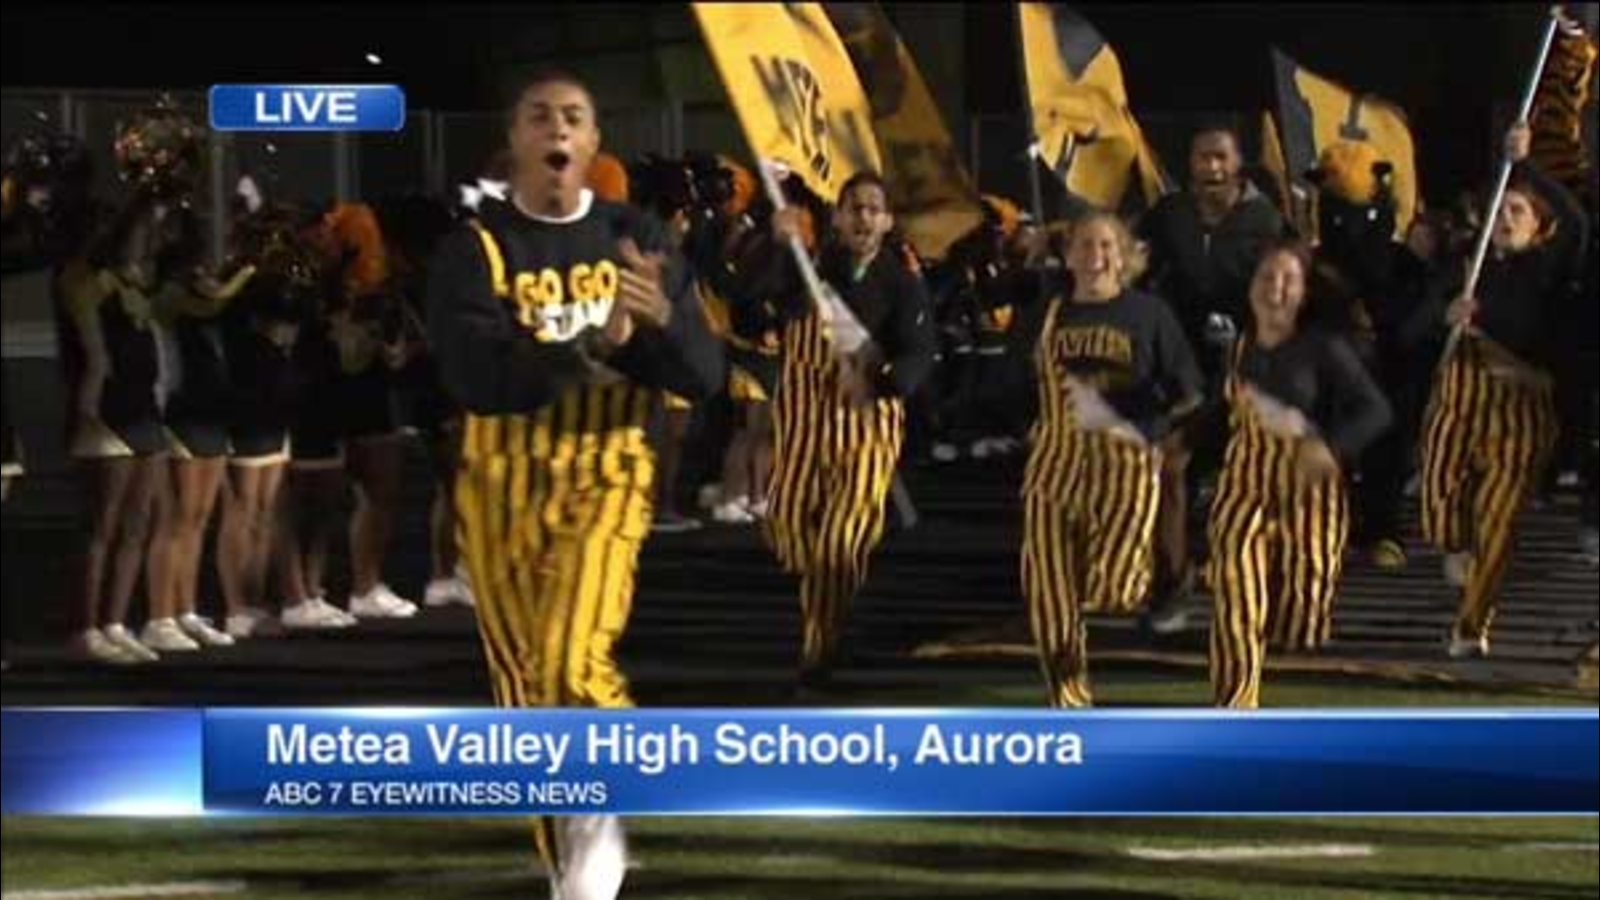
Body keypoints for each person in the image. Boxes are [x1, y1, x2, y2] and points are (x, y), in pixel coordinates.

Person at [426, 68, 722, 900]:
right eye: (539, 116)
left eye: (576, 117)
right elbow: (477, 377)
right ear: (515, 140)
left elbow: (704, 374)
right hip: (502, 485)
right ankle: (576, 865)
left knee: (571, 655)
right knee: (525, 695)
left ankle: (606, 817)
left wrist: (661, 324)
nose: (557, 127)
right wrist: (594, 344)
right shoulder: (475, 248)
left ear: (593, 144)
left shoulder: (642, 238)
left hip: (607, 473)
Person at [1418, 121, 1590, 658]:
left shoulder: (1550, 271)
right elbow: (1410, 328)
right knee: (1440, 504)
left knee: (1498, 523)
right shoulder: (1468, 269)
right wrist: (1443, 316)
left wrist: (1526, 163)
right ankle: (1453, 544)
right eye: (1503, 209)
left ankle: (1471, 626)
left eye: (1520, 211)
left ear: (1540, 225)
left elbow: (1579, 222)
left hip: (1521, 410)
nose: (1507, 219)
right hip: (1460, 402)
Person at [1018, 211, 1202, 707]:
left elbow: (1188, 390)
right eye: (1084, 245)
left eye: (1105, 246)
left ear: (1123, 256)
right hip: (1055, 463)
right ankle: (1067, 698)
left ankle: (1147, 594)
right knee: (1047, 586)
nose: (1094, 256)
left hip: (1124, 466)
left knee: (1116, 587)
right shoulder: (1048, 313)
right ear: (1068, 253)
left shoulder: (1149, 314)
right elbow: (1017, 381)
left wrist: (1153, 428)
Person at [766, 170, 935, 691]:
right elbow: (749, 298)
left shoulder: (902, 283)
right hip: (801, 425)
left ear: (886, 221)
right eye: (853, 207)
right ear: (836, 217)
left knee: (838, 545)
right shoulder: (806, 265)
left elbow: (918, 354)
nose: (862, 216)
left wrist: (878, 380)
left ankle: (819, 648)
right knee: (788, 528)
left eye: (872, 208)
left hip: (866, 429)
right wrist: (774, 243)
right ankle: (825, 599)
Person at [1209, 241, 1392, 708]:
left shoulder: (1324, 347)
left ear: (1305, 292)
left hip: (1309, 489)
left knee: (1302, 607)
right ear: (1251, 288)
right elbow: (1217, 413)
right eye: (1267, 277)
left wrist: (1331, 447)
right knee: (1235, 590)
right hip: (1243, 485)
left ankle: (1276, 633)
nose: (1276, 288)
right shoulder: (1236, 345)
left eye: (1288, 279)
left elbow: (1376, 411)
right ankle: (1234, 704)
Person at [1137, 126, 1285, 629]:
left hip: (1252, 374)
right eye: (1203, 158)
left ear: (1239, 163)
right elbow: (1133, 259)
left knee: (1255, 481)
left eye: (1221, 158)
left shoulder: (1266, 222)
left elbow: (1292, 289)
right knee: (1170, 467)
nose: (1212, 168)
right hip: (1186, 372)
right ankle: (1173, 583)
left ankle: (1271, 591)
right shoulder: (1169, 215)